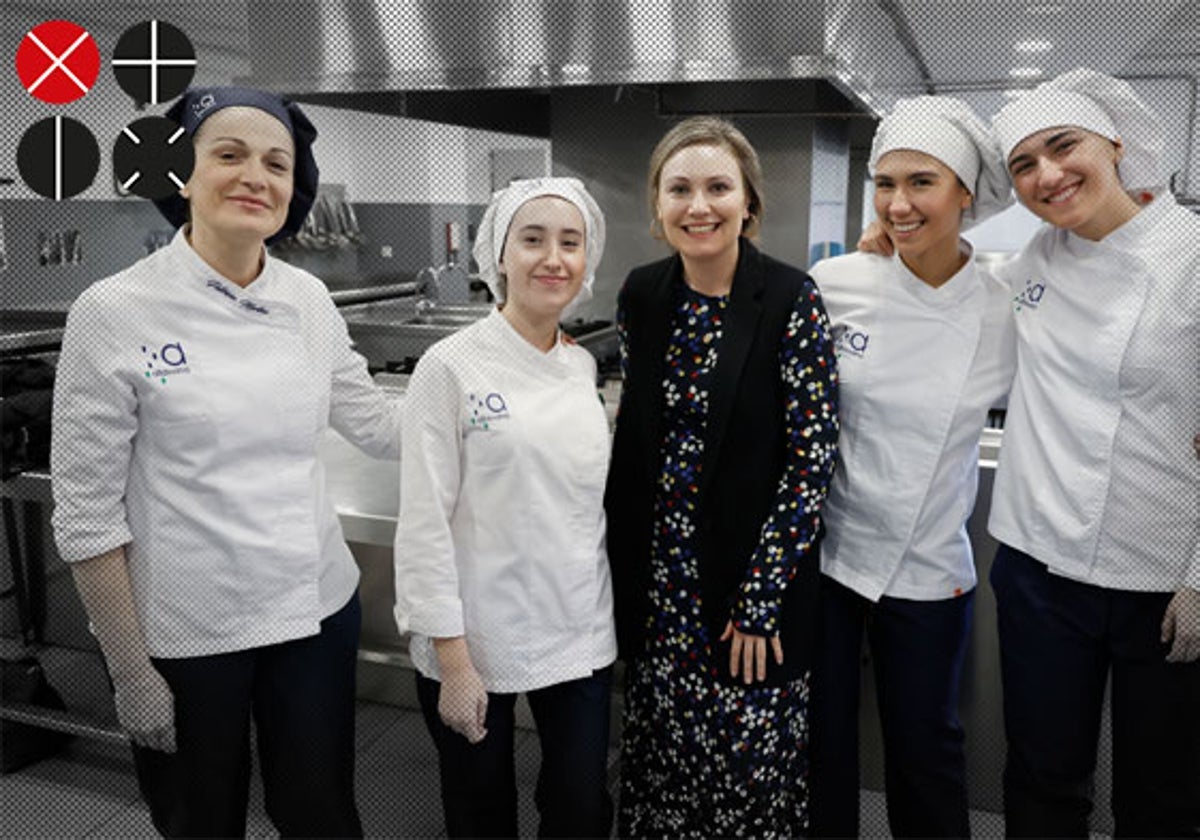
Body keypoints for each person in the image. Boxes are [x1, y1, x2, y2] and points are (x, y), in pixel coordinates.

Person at [50, 87, 400, 838]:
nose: (256, 176)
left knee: (321, 815)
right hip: (187, 629)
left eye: (277, 162)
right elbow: (86, 515)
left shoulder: (306, 297)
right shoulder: (114, 311)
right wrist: (130, 671)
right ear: (183, 173)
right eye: (230, 155)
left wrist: (497, 410)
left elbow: (374, 425)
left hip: (312, 608)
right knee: (200, 820)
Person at [604, 115, 839, 837]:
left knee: (745, 782)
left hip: (746, 595)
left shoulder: (792, 301)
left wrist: (761, 598)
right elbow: (637, 441)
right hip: (657, 589)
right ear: (658, 205)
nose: (697, 205)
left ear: (749, 205)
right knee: (658, 774)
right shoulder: (641, 296)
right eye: (679, 189)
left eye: (717, 187)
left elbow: (811, 461)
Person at [985, 68, 1200, 837]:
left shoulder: (1192, 256)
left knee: (1163, 794)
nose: (1048, 174)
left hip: (1162, 581)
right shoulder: (1031, 260)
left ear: (1114, 143)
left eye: (1063, 146)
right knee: (1042, 778)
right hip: (1040, 566)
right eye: (1023, 165)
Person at [805, 96, 1016, 838]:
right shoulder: (836, 286)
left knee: (927, 750)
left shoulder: (1004, 311)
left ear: (966, 192)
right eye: (885, 184)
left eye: (921, 183)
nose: (898, 204)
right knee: (819, 745)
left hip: (929, 567)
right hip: (829, 561)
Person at [393, 177, 616, 839]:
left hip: (576, 627)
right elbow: (425, 525)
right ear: (499, 255)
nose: (554, 257)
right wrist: (454, 665)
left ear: (587, 259)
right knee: (481, 813)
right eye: (533, 239)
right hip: (477, 635)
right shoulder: (450, 366)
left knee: (580, 809)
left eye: (570, 242)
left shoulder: (580, 368)